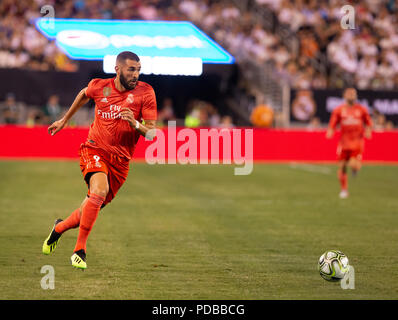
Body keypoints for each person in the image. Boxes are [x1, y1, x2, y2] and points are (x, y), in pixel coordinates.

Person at [42, 51, 157, 269]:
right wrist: (65, 120)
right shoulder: (100, 86)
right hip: (94, 149)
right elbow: (84, 94)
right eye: (131, 69)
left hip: (121, 163)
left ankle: (58, 228)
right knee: (99, 190)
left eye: (139, 70)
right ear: (118, 69)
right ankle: (79, 250)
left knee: (91, 205)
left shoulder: (146, 92)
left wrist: (135, 124)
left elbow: (152, 134)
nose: (136, 74)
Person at [326, 87, 372, 199]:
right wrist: (330, 131)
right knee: (341, 166)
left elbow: (368, 122)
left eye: (353, 93)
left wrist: (368, 131)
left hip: (357, 141)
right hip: (344, 142)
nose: (351, 95)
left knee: (352, 164)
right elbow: (333, 123)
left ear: (356, 96)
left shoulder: (362, 109)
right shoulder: (339, 110)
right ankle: (344, 190)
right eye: (349, 93)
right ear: (344, 96)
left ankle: (355, 170)